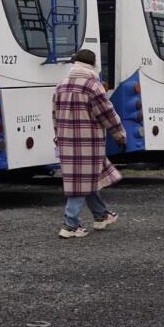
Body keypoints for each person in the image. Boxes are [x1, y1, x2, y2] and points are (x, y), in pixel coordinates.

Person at [52, 49, 126, 239]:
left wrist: (57, 136)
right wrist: (119, 134)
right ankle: (70, 225)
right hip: (88, 142)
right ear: (93, 64)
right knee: (80, 183)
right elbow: (107, 113)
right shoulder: (93, 85)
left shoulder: (61, 85)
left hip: (66, 141)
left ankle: (101, 215)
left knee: (87, 179)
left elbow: (54, 114)